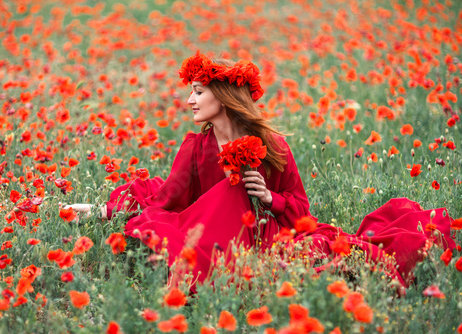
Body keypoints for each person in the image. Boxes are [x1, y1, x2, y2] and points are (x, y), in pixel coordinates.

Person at [66, 51, 455, 291]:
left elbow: (301, 210)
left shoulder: (272, 146)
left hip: (266, 237)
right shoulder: (196, 147)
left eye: (199, 92)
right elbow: (167, 199)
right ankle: (206, 270)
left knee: (246, 193)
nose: (189, 100)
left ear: (224, 95)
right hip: (211, 234)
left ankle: (203, 276)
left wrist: (270, 198)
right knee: (224, 192)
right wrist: (98, 210)